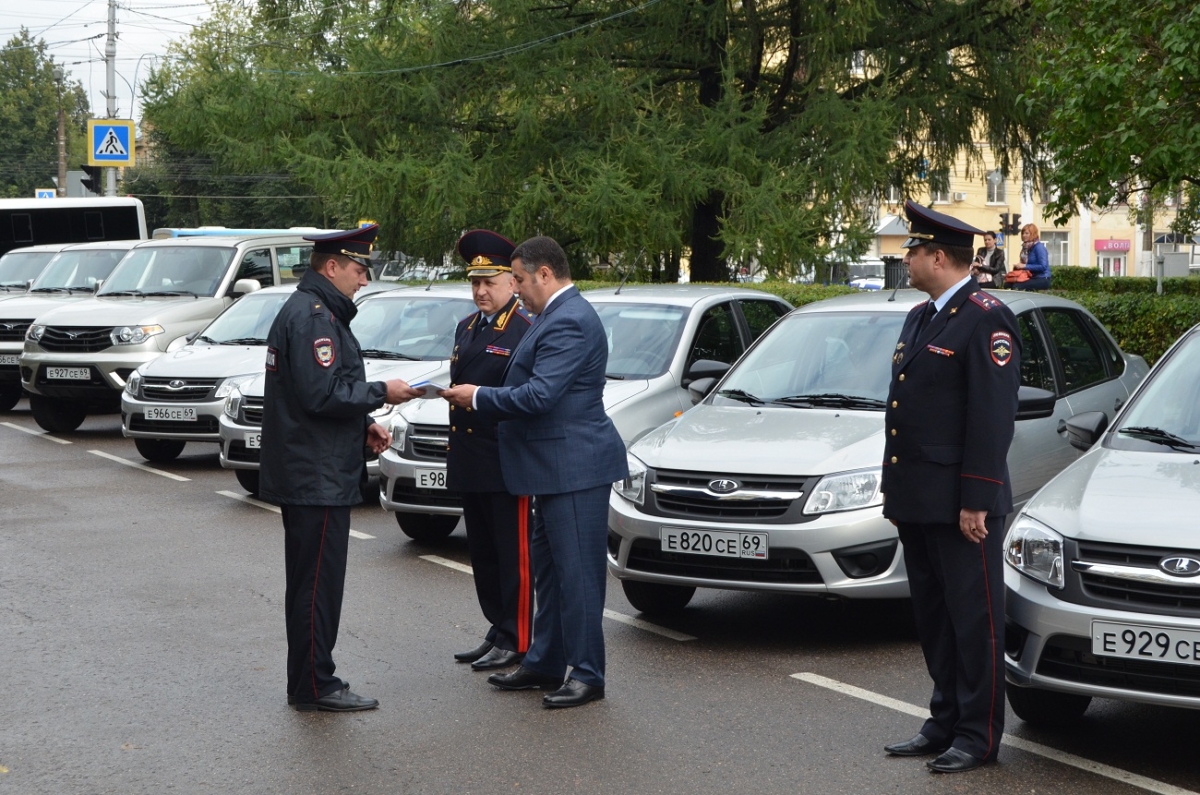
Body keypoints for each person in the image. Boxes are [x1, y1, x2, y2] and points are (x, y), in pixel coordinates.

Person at [441, 236, 627, 709]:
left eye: (519, 279)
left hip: (573, 469)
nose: (516, 289)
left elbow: (540, 396)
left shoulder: (569, 321)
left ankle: (588, 674)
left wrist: (478, 397)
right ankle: (545, 661)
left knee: (578, 577)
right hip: (551, 469)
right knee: (550, 574)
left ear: (545, 274)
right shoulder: (553, 316)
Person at [881, 200, 1021, 773]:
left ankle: (977, 734)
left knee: (974, 620)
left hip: (962, 505)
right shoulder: (921, 316)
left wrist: (976, 500)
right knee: (935, 618)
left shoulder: (986, 316)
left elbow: (992, 417)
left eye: (911, 251)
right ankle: (942, 720)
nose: (905, 259)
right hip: (918, 497)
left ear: (937, 256)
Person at [260, 224, 422, 712]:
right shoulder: (314, 318)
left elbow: (320, 391)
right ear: (331, 268)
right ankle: (314, 685)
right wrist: (381, 393)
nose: (363, 280)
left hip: (317, 468)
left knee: (313, 583)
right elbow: (321, 394)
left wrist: (363, 423)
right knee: (316, 587)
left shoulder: (317, 311)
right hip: (316, 476)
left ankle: (311, 678)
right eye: (358, 269)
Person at [445, 230, 536, 672]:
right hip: (470, 458)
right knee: (481, 552)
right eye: (475, 282)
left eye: (491, 281)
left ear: (512, 283)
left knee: (511, 553)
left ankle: (519, 636)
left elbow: (523, 397)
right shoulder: (466, 327)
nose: (481, 291)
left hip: (503, 460)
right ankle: (497, 627)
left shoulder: (524, 330)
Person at [1011, 223, 1051, 291]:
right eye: (1023, 233)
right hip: (1030, 277)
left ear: (1033, 234)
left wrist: (1024, 266)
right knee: (1008, 284)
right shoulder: (1026, 248)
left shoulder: (1039, 247)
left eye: (1027, 233)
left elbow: (1043, 266)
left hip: (1042, 278)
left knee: (1016, 286)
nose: (1024, 235)